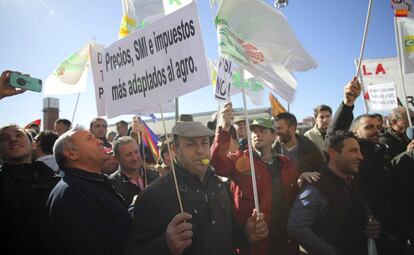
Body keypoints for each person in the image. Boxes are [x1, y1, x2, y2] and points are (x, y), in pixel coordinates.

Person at [123, 121, 268, 255]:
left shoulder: (219, 185)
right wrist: (165, 245)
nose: (200, 151)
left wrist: (247, 234)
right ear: (175, 149)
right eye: (191, 144)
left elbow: (230, 236)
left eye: (204, 143)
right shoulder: (153, 195)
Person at [211, 103, 308, 255]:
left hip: (285, 243)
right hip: (253, 246)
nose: (257, 134)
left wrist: (303, 178)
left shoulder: (287, 164)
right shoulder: (241, 160)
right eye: (254, 131)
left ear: (274, 135)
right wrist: (224, 128)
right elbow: (217, 163)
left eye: (262, 131)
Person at [327, 77, 398, 254]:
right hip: (358, 229)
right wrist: (348, 103)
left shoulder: (384, 152)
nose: (376, 130)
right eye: (369, 127)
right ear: (355, 131)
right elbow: (333, 137)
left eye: (378, 126)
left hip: (387, 230)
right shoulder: (348, 153)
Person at [287, 130, 381, 255]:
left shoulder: (352, 182)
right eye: (353, 151)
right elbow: (296, 227)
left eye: (359, 150)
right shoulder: (315, 188)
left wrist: (371, 224)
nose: (360, 156)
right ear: (333, 153)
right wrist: (328, 251)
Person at [46, 128, 131, 255]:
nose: (100, 141)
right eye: (90, 139)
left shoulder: (91, 183)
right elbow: (98, 246)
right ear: (71, 154)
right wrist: (135, 213)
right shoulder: (71, 193)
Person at [0, 124, 59, 255]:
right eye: (4, 138)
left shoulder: (55, 180)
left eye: (19, 135)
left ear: (33, 145)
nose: (13, 139)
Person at [109, 136, 159, 206]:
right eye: (128, 155)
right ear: (116, 158)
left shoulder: (156, 176)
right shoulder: (111, 184)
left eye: (136, 152)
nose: (135, 158)